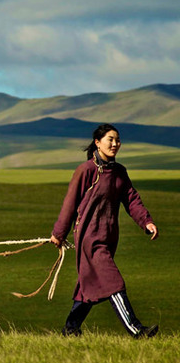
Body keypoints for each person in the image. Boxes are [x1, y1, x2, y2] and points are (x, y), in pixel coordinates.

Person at [50, 123, 159, 338]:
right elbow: (70, 204)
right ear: (97, 143)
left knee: (88, 287)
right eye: (110, 139)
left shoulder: (119, 172)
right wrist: (59, 233)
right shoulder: (86, 170)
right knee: (113, 282)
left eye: (117, 140)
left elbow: (131, 199)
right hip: (90, 239)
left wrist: (146, 221)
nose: (115, 144)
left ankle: (70, 329)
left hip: (108, 238)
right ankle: (137, 330)